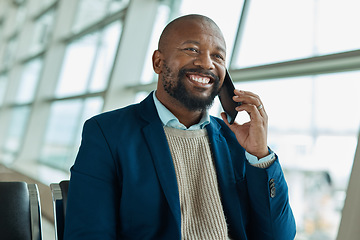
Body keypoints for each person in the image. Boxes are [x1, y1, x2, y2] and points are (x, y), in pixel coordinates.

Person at [64, 14, 296, 240]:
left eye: (218, 56)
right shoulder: (107, 133)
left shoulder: (235, 140)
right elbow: (89, 233)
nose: (206, 63)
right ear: (158, 62)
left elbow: (279, 236)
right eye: (192, 50)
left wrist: (259, 155)